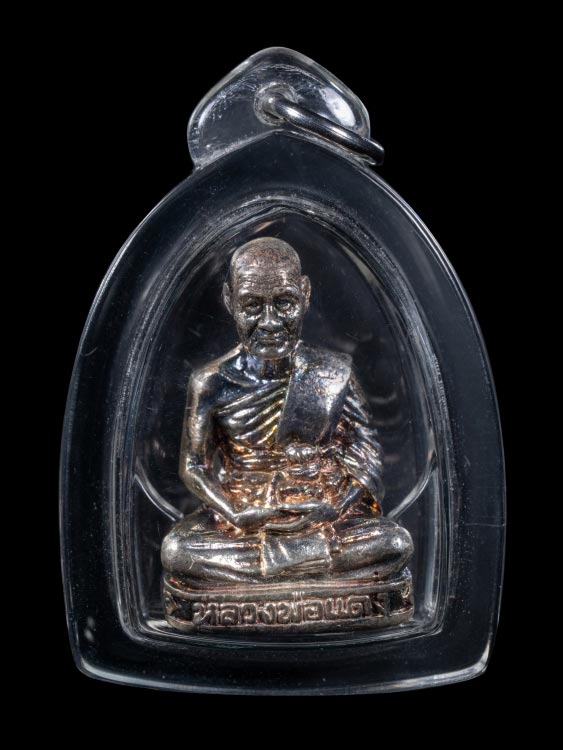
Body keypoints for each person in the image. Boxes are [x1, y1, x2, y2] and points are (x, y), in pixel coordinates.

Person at [161, 237, 412, 585]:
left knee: (395, 542)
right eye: (252, 305)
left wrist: (336, 507)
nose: (270, 322)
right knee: (177, 551)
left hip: (318, 513)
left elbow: (366, 454)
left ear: (305, 294)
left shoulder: (331, 372)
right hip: (246, 518)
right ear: (229, 300)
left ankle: (272, 570)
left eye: (284, 303)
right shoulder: (211, 383)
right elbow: (193, 466)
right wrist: (235, 512)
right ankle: (309, 567)